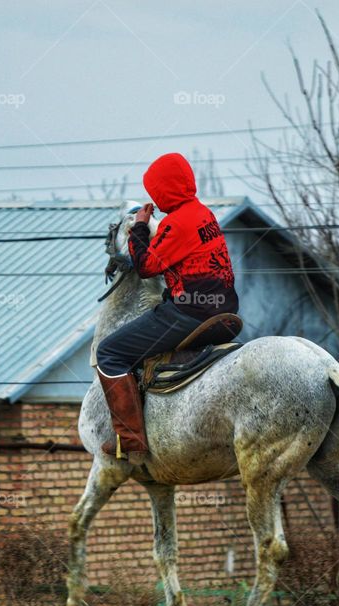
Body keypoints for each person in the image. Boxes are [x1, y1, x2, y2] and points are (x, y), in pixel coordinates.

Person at [95, 152, 239, 463]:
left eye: (156, 192)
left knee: (109, 353)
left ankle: (130, 440)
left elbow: (145, 266)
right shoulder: (204, 214)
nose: (156, 200)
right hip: (225, 310)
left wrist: (140, 228)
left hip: (190, 313)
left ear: (166, 189)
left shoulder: (178, 223)